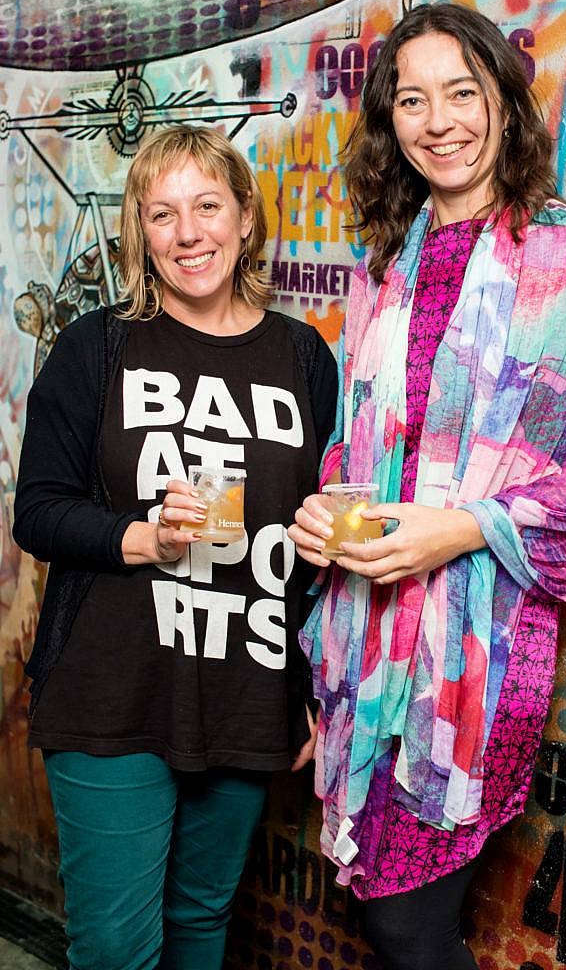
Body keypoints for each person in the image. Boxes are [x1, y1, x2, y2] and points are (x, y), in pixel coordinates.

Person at [288, 2, 566, 970]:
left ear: (500, 101)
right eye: (411, 99)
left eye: (461, 91)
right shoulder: (388, 266)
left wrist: (459, 527)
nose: (438, 119)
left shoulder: (565, 257)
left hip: (477, 654)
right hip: (363, 644)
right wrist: (325, 506)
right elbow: (355, 449)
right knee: (393, 920)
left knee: (409, 926)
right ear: (388, 122)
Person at [13, 124, 337, 970]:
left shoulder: (304, 358)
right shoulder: (98, 344)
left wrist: (306, 684)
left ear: (244, 216)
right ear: (139, 232)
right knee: (118, 948)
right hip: (110, 687)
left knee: (200, 924)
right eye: (163, 214)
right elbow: (37, 512)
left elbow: (308, 546)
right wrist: (142, 536)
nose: (189, 233)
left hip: (246, 683)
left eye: (206, 206)